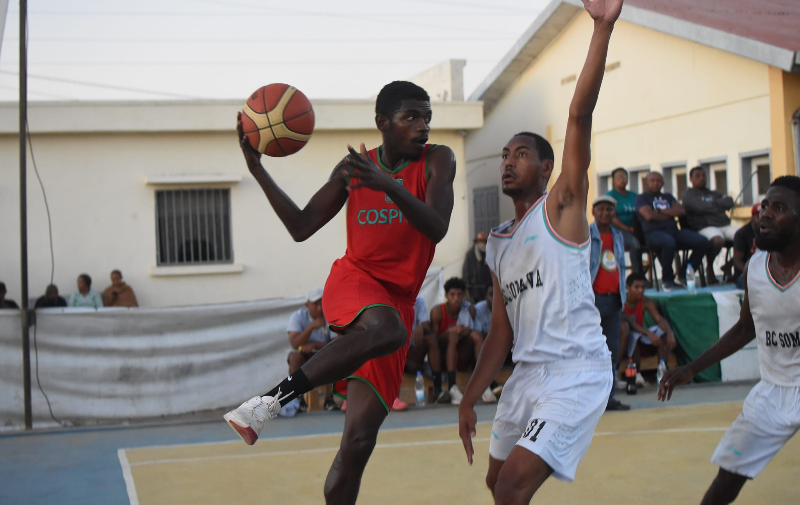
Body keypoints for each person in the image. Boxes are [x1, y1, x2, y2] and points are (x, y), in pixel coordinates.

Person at [224, 80, 456, 504]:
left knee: (357, 443)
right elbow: (300, 226)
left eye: (427, 117)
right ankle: (268, 403)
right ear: (382, 123)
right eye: (411, 117)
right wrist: (258, 169)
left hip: (398, 303)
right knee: (387, 331)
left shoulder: (438, 159)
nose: (422, 126)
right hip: (356, 279)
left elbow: (436, 226)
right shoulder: (353, 169)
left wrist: (388, 185)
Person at [458, 2, 621, 502]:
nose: (508, 162)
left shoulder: (563, 207)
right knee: (495, 482)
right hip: (526, 374)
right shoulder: (500, 243)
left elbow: (579, 113)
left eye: (521, 154)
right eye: (505, 154)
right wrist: (468, 397)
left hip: (575, 370)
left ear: (548, 167)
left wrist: (601, 26)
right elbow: (500, 332)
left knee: (510, 486)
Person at [659, 176, 800, 505]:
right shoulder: (755, 268)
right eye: (765, 205)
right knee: (727, 476)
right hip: (774, 389)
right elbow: (745, 328)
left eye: (779, 208)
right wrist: (691, 368)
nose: (765, 213)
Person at [590, 195, 630, 411]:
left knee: (611, 351)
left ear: (614, 214)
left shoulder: (617, 236)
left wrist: (621, 294)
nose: (605, 213)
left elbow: (620, 267)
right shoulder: (587, 234)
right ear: (593, 212)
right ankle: (592, 399)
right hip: (593, 300)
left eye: (609, 210)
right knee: (591, 351)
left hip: (614, 299)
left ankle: (609, 398)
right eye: (601, 209)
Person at [636, 171, 708, 290]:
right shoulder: (642, 198)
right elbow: (648, 215)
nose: (655, 183)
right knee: (668, 242)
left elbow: (681, 211)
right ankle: (667, 279)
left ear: (663, 183)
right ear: (647, 183)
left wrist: (659, 211)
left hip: (674, 232)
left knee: (703, 241)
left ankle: (683, 274)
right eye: (652, 181)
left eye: (658, 181)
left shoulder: (668, 196)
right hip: (653, 234)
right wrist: (669, 213)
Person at [429, 277, 496, 405]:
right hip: (446, 358)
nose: (456, 298)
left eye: (459, 295)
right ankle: (452, 386)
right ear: (446, 295)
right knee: (453, 336)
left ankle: (484, 383)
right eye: (452, 295)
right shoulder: (438, 312)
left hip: (463, 355)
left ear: (464, 295)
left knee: (476, 335)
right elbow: (434, 343)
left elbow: (473, 333)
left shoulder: (470, 310)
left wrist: (467, 332)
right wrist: (449, 332)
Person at [683, 166, 737, 285]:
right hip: (704, 227)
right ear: (691, 179)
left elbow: (730, 202)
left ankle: (730, 265)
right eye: (698, 176)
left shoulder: (714, 193)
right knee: (717, 240)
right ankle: (710, 268)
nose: (702, 178)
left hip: (724, 225)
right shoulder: (688, 195)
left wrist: (709, 205)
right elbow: (698, 207)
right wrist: (718, 205)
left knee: (748, 237)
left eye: (704, 176)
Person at [287, 288, 338, 412]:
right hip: (305, 355)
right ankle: (299, 400)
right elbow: (294, 343)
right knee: (294, 357)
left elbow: (336, 344)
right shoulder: (297, 316)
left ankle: (329, 400)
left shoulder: (331, 316)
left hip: (323, 354)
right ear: (307, 305)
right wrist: (312, 326)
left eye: (322, 303)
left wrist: (315, 344)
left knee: (335, 357)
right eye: (316, 304)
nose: (320, 308)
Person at [620, 273, 676, 383]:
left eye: (643, 287)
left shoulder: (646, 301)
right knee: (633, 335)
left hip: (641, 336)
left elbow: (659, 319)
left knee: (663, 333)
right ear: (627, 287)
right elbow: (631, 324)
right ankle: (637, 373)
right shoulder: (621, 302)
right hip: (625, 341)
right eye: (636, 287)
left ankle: (662, 369)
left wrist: (670, 332)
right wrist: (648, 333)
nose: (641, 290)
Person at [404, 295, 442, 404]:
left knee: (431, 338)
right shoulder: (391, 299)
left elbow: (427, 327)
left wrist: (421, 327)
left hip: (411, 352)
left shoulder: (418, 301)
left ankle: (438, 389)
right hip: (395, 354)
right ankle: (393, 396)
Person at [606, 167, 643, 275]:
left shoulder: (634, 195)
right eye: (619, 177)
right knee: (634, 243)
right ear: (613, 180)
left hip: (637, 229)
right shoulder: (610, 196)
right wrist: (628, 229)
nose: (622, 179)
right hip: (618, 231)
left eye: (624, 176)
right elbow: (612, 218)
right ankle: (637, 275)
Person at [732, 204, 761, 289]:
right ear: (752, 217)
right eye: (758, 216)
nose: (761, 218)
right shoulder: (742, 233)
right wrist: (753, 272)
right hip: (745, 273)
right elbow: (737, 261)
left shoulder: (770, 231)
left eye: (763, 215)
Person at [463, 231, 492, 303]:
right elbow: (466, 271)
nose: (482, 243)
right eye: (480, 241)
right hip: (475, 290)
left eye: (484, 241)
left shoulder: (490, 252)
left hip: (488, 288)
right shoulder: (470, 254)